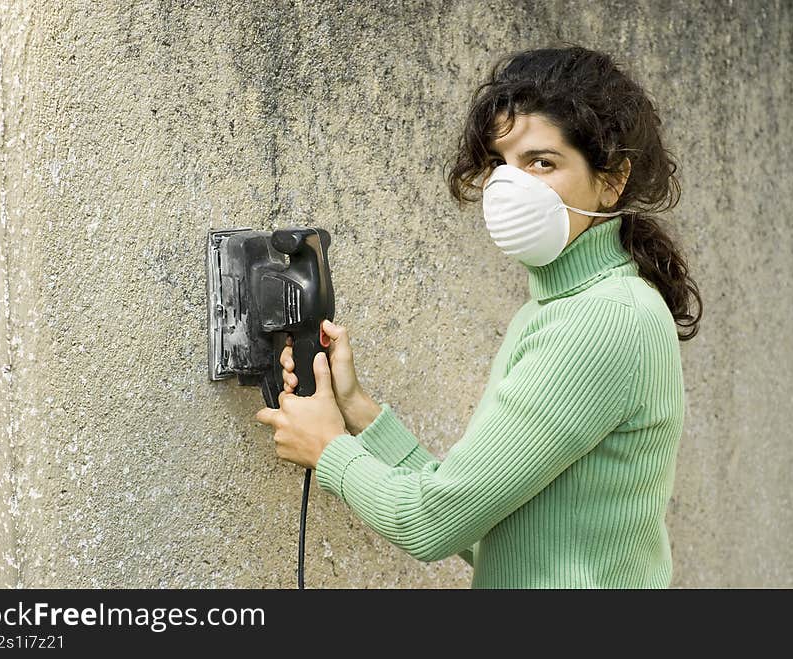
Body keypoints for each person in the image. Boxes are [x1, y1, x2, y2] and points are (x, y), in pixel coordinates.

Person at [255, 43, 702, 588]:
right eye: (499, 163)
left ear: (612, 180)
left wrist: (328, 450)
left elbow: (434, 522)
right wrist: (358, 411)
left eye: (542, 162)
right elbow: (484, 525)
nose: (511, 186)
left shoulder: (603, 321)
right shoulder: (559, 308)